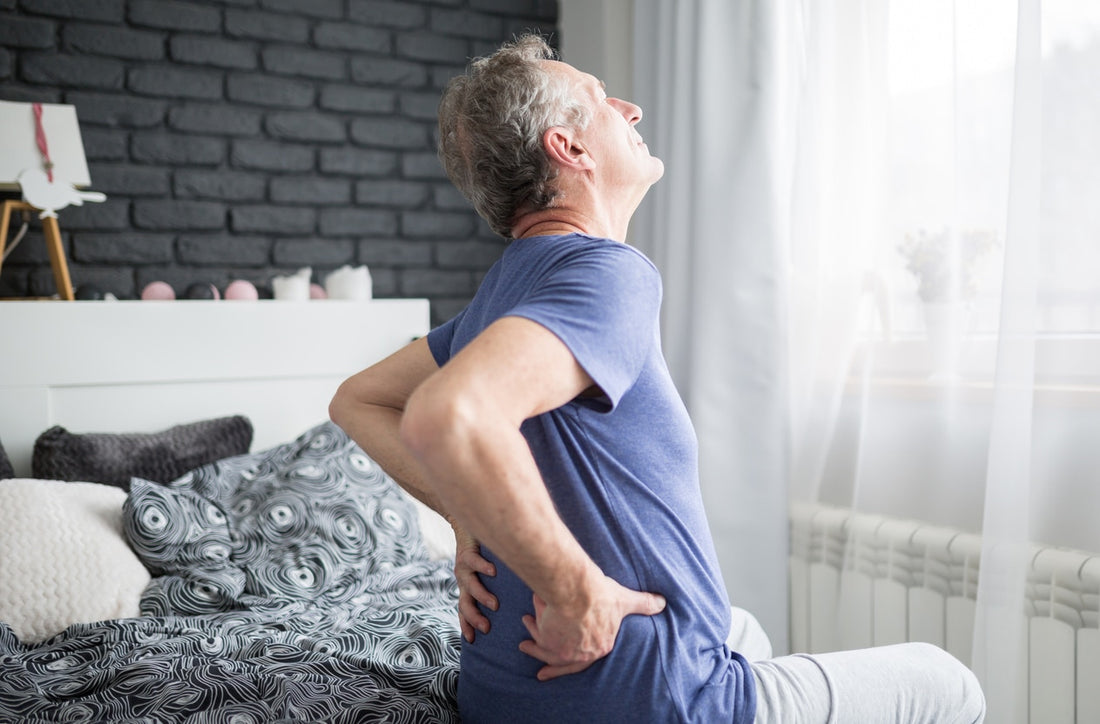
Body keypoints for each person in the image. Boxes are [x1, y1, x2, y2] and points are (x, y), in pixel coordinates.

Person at [329, 34, 986, 724]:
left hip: (513, 697)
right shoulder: (606, 273)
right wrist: (577, 593)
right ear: (571, 150)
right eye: (599, 99)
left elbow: (357, 400)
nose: (632, 108)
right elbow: (450, 416)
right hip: (650, 697)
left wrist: (468, 512)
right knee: (949, 682)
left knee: (745, 629)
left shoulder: (503, 293)